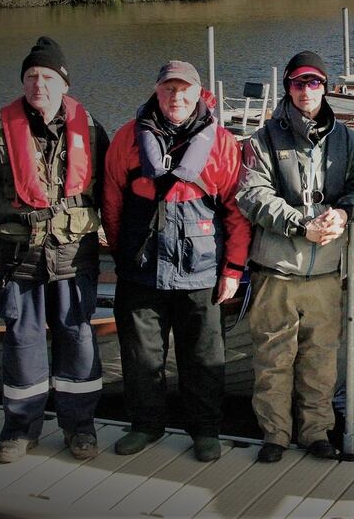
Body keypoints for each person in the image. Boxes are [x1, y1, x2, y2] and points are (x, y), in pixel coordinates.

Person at [0, 36, 108, 464]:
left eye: (47, 76)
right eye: (30, 76)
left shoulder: (93, 130)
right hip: (17, 257)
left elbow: (106, 187)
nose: (38, 85)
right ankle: (19, 429)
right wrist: (12, 221)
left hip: (71, 255)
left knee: (77, 338)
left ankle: (80, 428)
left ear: (63, 83)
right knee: (23, 343)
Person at [102, 60, 252, 462]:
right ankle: (145, 426)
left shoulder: (221, 143)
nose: (176, 97)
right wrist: (123, 254)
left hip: (200, 274)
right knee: (140, 357)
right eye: (168, 88)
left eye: (184, 89)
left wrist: (233, 269)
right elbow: (112, 204)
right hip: (141, 271)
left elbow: (237, 212)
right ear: (156, 91)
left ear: (198, 93)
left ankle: (205, 430)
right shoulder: (126, 139)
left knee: (204, 358)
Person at [236, 51, 354, 463]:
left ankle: (317, 432)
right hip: (276, 273)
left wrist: (344, 212)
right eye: (298, 83)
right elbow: (252, 195)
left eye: (314, 83)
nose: (306, 90)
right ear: (288, 89)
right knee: (273, 360)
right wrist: (301, 224)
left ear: (326, 87)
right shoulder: (263, 139)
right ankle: (275, 435)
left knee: (320, 361)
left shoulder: (347, 139)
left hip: (326, 274)